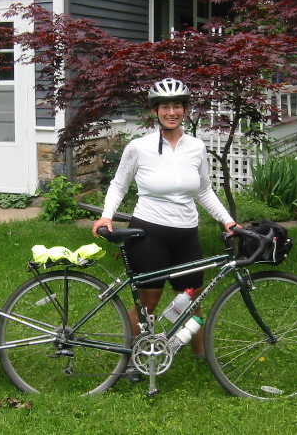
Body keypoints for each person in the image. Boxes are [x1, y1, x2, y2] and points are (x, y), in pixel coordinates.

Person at [92, 77, 237, 359]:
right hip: (150, 233)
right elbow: (119, 184)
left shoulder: (196, 147)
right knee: (149, 302)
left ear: (185, 110)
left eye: (177, 106)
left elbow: (204, 189)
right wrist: (106, 216)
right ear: (155, 111)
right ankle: (129, 359)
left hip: (186, 234)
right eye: (165, 107)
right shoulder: (139, 147)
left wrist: (227, 220)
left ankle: (202, 358)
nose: (172, 112)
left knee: (192, 299)